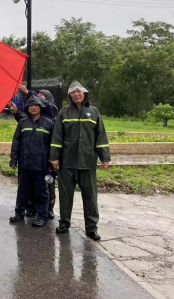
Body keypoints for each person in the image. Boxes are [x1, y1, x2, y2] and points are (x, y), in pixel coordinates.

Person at [50, 81, 111, 241]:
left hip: (88, 162)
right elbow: (57, 136)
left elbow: (101, 136)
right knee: (65, 195)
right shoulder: (64, 113)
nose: (76, 94)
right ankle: (64, 223)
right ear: (70, 95)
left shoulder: (94, 112)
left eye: (79, 92)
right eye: (73, 92)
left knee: (90, 196)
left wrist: (104, 157)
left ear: (84, 93)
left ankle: (91, 228)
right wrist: (54, 157)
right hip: (67, 162)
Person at [9, 88, 59, 220]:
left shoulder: (49, 123)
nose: (34, 107)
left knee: (42, 191)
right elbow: (16, 142)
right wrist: (13, 160)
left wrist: (54, 160)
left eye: (37, 105)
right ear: (27, 108)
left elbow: (54, 144)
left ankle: (42, 216)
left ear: (41, 107)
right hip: (25, 163)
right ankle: (19, 214)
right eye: (31, 105)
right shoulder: (23, 123)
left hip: (42, 164)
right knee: (23, 190)